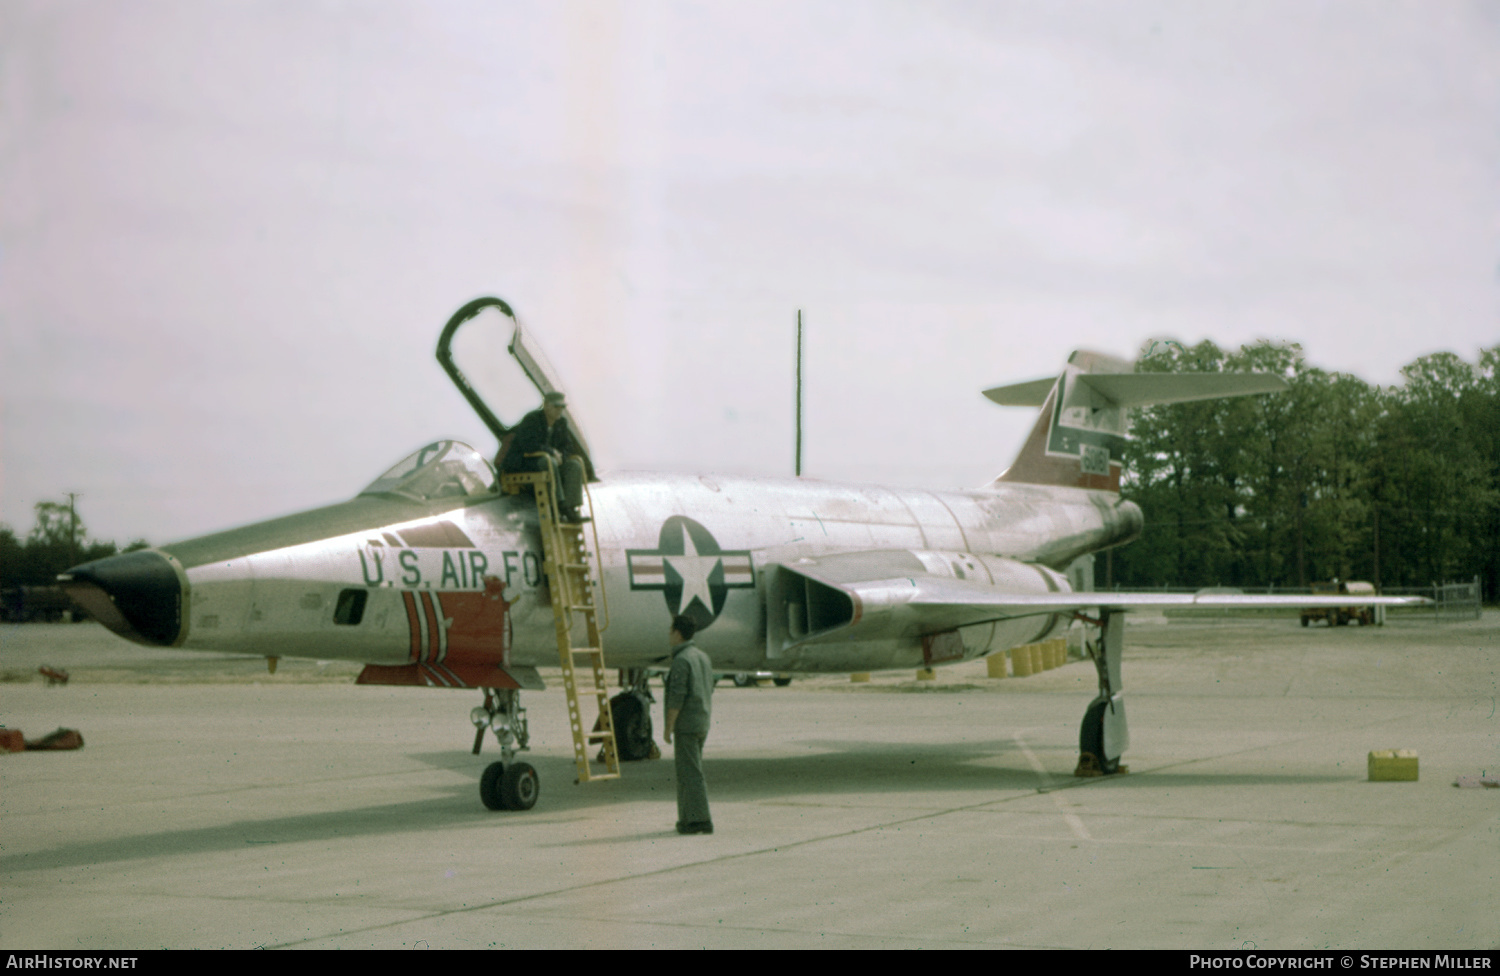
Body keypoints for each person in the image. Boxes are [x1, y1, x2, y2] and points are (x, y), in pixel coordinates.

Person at [498, 392, 589, 521]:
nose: (560, 410)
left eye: (563, 407)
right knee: (549, 462)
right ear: (546, 406)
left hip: (546, 461)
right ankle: (557, 504)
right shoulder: (532, 420)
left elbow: (568, 446)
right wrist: (551, 452)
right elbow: (528, 445)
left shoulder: (561, 423)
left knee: (574, 465)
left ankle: (570, 508)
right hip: (524, 462)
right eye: (557, 406)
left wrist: (561, 456)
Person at [664, 614, 714, 835]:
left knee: (690, 773)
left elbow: (677, 697)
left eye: (670, 631)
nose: (669, 635)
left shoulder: (681, 660)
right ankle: (686, 819)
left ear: (677, 633)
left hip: (687, 725)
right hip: (702, 720)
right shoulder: (703, 657)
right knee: (688, 771)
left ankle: (700, 820)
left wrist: (668, 727)